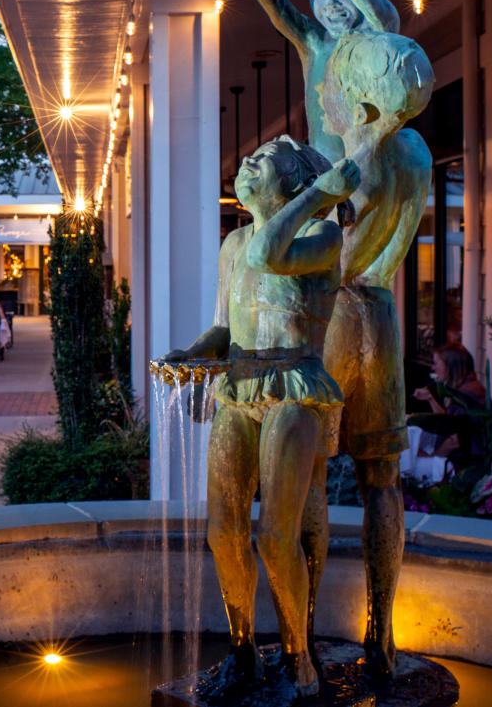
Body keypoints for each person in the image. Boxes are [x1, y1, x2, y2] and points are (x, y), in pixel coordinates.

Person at [165, 137, 357, 697]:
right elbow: (226, 325)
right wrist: (193, 354)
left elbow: (270, 256)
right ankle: (242, 646)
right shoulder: (234, 242)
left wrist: (321, 196)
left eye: (266, 158)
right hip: (240, 384)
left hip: (294, 386)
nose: (248, 160)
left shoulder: (321, 234)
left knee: (276, 535)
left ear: (296, 183)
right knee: (222, 529)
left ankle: (298, 656)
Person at [302, 28, 434, 679]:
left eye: (331, 88)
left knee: (309, 474)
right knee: (383, 479)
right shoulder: (414, 153)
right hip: (383, 319)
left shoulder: (354, 166)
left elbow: (334, 260)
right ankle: (380, 635)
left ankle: (300, 639)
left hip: (336, 319)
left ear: (359, 105)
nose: (321, 96)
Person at [194, 0, 399, 164]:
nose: (330, 4)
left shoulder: (380, 31)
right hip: (325, 186)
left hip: (372, 182)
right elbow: (276, 5)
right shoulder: (316, 45)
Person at [410, 343, 488, 463]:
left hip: (462, 464)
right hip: (457, 459)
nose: (433, 368)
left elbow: (457, 439)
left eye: (436, 363)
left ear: (451, 366)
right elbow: (449, 423)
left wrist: (434, 456)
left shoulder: (467, 395)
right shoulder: (464, 388)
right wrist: (430, 399)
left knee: (410, 461)